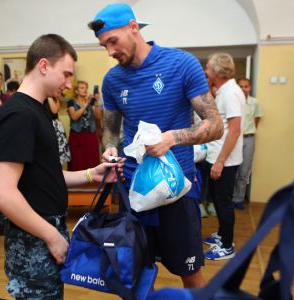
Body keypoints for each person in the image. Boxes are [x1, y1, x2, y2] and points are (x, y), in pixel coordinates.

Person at [88, 3, 223, 287]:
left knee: (190, 271)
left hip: (177, 189)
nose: (110, 52)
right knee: (134, 270)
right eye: (104, 46)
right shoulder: (112, 80)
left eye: (113, 41)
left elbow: (215, 124)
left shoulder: (181, 64)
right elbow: (110, 130)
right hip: (134, 192)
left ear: (134, 28)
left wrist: (173, 138)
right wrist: (110, 147)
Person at [0, 34, 120, 299]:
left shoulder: (37, 111)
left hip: (44, 231)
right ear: (44, 66)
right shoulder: (20, 115)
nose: (69, 84)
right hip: (34, 238)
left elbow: (43, 175)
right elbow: (2, 194)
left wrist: (89, 174)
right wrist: (51, 236)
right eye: (67, 74)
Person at [202, 53, 246, 260]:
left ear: (217, 71)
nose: (205, 71)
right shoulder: (224, 91)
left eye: (208, 67)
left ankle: (227, 246)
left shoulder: (230, 93)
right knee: (219, 200)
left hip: (225, 160)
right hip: (218, 156)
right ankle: (221, 234)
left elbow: (235, 131)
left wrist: (220, 161)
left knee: (223, 202)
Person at [232, 77, 263, 210]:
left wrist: (247, 132)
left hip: (249, 139)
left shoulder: (255, 102)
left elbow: (256, 120)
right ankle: (229, 198)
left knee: (244, 171)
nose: (243, 89)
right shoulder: (232, 101)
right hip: (234, 139)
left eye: (246, 86)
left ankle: (238, 199)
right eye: (241, 86)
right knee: (232, 169)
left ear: (250, 88)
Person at [67, 80, 102, 171]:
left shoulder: (91, 101)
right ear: (76, 91)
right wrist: (86, 104)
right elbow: (74, 116)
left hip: (90, 134)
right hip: (77, 135)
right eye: (82, 88)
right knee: (77, 160)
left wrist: (96, 102)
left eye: (86, 88)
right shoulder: (71, 102)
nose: (85, 90)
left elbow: (98, 116)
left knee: (91, 160)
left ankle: (92, 183)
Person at [45, 90, 71, 166]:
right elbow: (54, 110)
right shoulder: (43, 97)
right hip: (47, 125)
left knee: (59, 159)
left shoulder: (53, 98)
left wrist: (54, 97)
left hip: (56, 126)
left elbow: (56, 110)